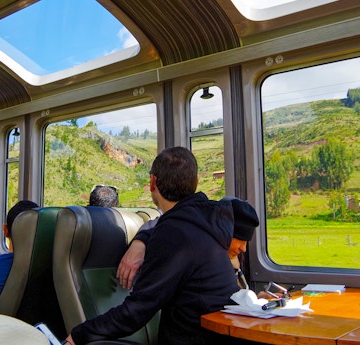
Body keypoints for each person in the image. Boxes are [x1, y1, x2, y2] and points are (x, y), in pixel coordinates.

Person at [65, 147, 241, 345]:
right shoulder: (209, 222)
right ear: (196, 182)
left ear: (152, 183)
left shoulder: (174, 234)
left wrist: (79, 335)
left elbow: (137, 311)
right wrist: (144, 238)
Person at [117, 196, 260, 291]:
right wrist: (140, 241)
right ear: (225, 234)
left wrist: (254, 300)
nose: (244, 248)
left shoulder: (229, 259)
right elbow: (165, 223)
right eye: (240, 240)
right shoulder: (197, 254)